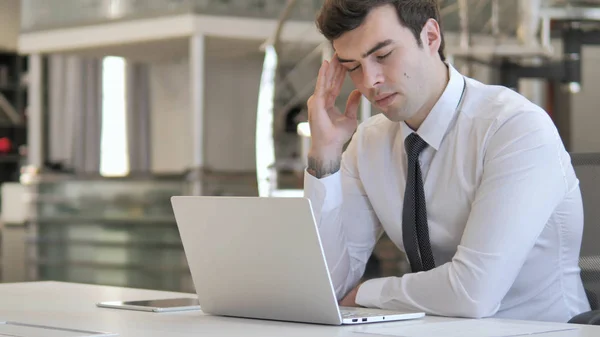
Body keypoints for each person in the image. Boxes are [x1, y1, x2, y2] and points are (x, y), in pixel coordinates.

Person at [303, 0, 591, 322]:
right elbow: (328, 284)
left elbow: (473, 294)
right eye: (353, 66)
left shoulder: (514, 127)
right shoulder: (369, 143)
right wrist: (325, 153)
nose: (370, 81)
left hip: (540, 330)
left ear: (430, 37)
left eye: (383, 55)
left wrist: (368, 293)